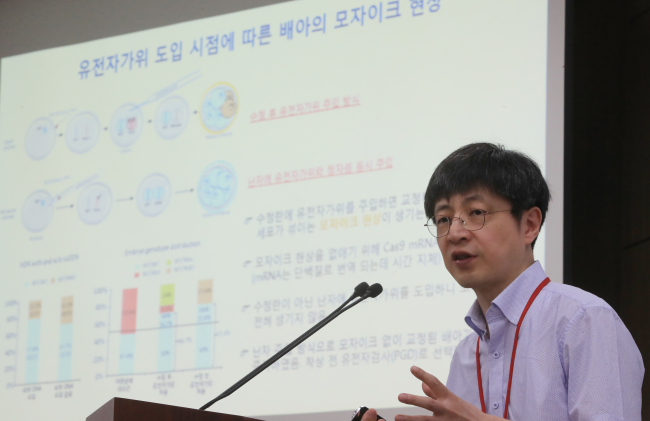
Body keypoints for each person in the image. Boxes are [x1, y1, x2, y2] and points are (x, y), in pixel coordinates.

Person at [361, 143, 644, 421]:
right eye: (443, 218)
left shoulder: (583, 320)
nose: (455, 233)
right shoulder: (465, 354)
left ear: (529, 225)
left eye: (476, 213)